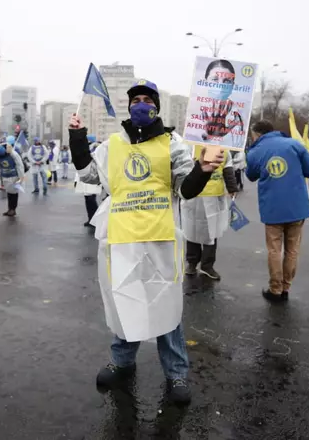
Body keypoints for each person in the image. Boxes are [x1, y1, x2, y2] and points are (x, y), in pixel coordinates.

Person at [69, 79, 223, 405]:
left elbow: (187, 188)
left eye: (146, 99)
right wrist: (76, 137)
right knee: (126, 303)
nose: (140, 104)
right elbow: (87, 175)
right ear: (129, 106)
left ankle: (176, 374)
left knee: (165, 306)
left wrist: (204, 169)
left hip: (161, 237)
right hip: (121, 239)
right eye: (135, 99)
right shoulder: (112, 144)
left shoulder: (172, 144)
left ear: (156, 107)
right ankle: (122, 361)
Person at [245, 121, 309, 303]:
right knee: (292, 250)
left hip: (272, 208)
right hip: (297, 207)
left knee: (274, 250)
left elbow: (250, 175)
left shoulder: (255, 151)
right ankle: (286, 287)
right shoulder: (294, 144)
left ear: (257, 134)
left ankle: (275, 289)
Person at [181, 145, 238, 280]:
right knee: (191, 230)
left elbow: (228, 169)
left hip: (214, 197)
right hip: (194, 197)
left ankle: (207, 265)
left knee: (212, 232)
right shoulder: (191, 147)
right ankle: (192, 262)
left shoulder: (225, 150)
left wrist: (232, 187)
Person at [183, 59, 245, 148]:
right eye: (215, 79)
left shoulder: (238, 118)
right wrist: (211, 136)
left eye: (227, 81)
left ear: (232, 86)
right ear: (205, 83)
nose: (220, 86)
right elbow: (189, 152)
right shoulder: (194, 113)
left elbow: (237, 152)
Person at [0, 136, 26, 217]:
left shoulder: (13, 154)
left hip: (14, 176)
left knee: (14, 193)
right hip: (5, 177)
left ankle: (13, 209)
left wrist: (21, 177)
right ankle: (9, 209)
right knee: (9, 192)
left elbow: (20, 165)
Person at [75, 135, 101, 227]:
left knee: (91, 200)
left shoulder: (96, 148)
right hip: (85, 177)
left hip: (93, 176)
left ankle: (96, 220)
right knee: (88, 199)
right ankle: (90, 219)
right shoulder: (86, 148)